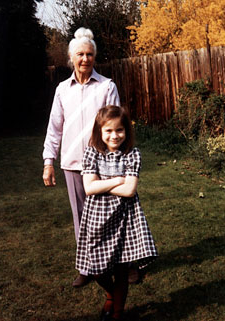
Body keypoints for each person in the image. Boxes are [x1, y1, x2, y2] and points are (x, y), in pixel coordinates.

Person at [42, 27, 120, 288]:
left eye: (89, 54)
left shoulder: (107, 86)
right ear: (71, 58)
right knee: (81, 219)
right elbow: (54, 128)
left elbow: (116, 125)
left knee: (110, 216)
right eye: (80, 54)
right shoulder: (63, 90)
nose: (85, 59)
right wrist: (48, 162)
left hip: (102, 166)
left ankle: (120, 264)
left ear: (94, 56)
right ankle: (86, 268)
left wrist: (114, 161)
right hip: (73, 165)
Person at [76, 105, 158, 321]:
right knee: (97, 269)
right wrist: (117, 181)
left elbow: (130, 190)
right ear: (100, 132)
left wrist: (102, 183)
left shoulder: (132, 154)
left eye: (119, 130)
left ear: (126, 131)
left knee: (122, 268)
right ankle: (111, 295)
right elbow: (89, 188)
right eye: (109, 131)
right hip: (97, 217)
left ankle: (117, 313)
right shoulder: (91, 152)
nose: (114, 136)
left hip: (125, 218)